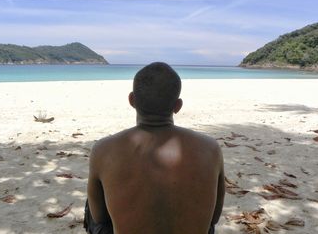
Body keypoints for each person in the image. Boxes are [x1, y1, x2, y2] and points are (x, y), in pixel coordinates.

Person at [86, 62, 225, 234]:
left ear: (132, 100)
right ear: (178, 106)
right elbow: (215, 217)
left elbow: (98, 217)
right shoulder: (210, 148)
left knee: (93, 200)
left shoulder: (103, 149)